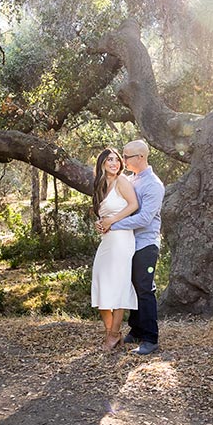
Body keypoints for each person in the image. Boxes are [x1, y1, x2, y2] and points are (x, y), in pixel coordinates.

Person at [97, 139, 164, 356]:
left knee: (145, 289)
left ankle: (150, 338)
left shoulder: (153, 184)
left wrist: (113, 224)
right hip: (129, 244)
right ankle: (135, 330)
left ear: (140, 158)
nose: (123, 160)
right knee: (132, 286)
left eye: (126, 157)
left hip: (146, 244)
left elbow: (145, 218)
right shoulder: (133, 180)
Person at [90, 148, 139, 351]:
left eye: (117, 160)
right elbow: (103, 213)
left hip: (121, 239)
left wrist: (112, 220)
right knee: (101, 283)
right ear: (102, 163)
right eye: (109, 160)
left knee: (119, 285)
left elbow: (133, 205)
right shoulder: (101, 185)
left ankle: (112, 335)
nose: (114, 163)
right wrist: (99, 223)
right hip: (107, 240)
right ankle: (114, 333)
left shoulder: (122, 181)